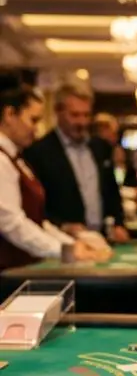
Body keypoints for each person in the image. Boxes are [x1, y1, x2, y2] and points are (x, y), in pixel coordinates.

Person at [0, 75, 102, 269]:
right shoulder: (1, 160)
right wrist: (65, 250)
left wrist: (72, 244)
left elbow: (36, 221)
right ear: (9, 115)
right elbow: (12, 224)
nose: (36, 130)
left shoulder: (15, 159)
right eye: (33, 120)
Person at [23, 81, 128, 243]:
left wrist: (119, 224)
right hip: (61, 244)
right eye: (75, 115)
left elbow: (112, 192)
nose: (82, 122)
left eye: (86, 115)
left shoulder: (100, 147)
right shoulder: (38, 152)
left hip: (102, 241)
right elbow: (34, 207)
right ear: (58, 112)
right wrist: (62, 226)